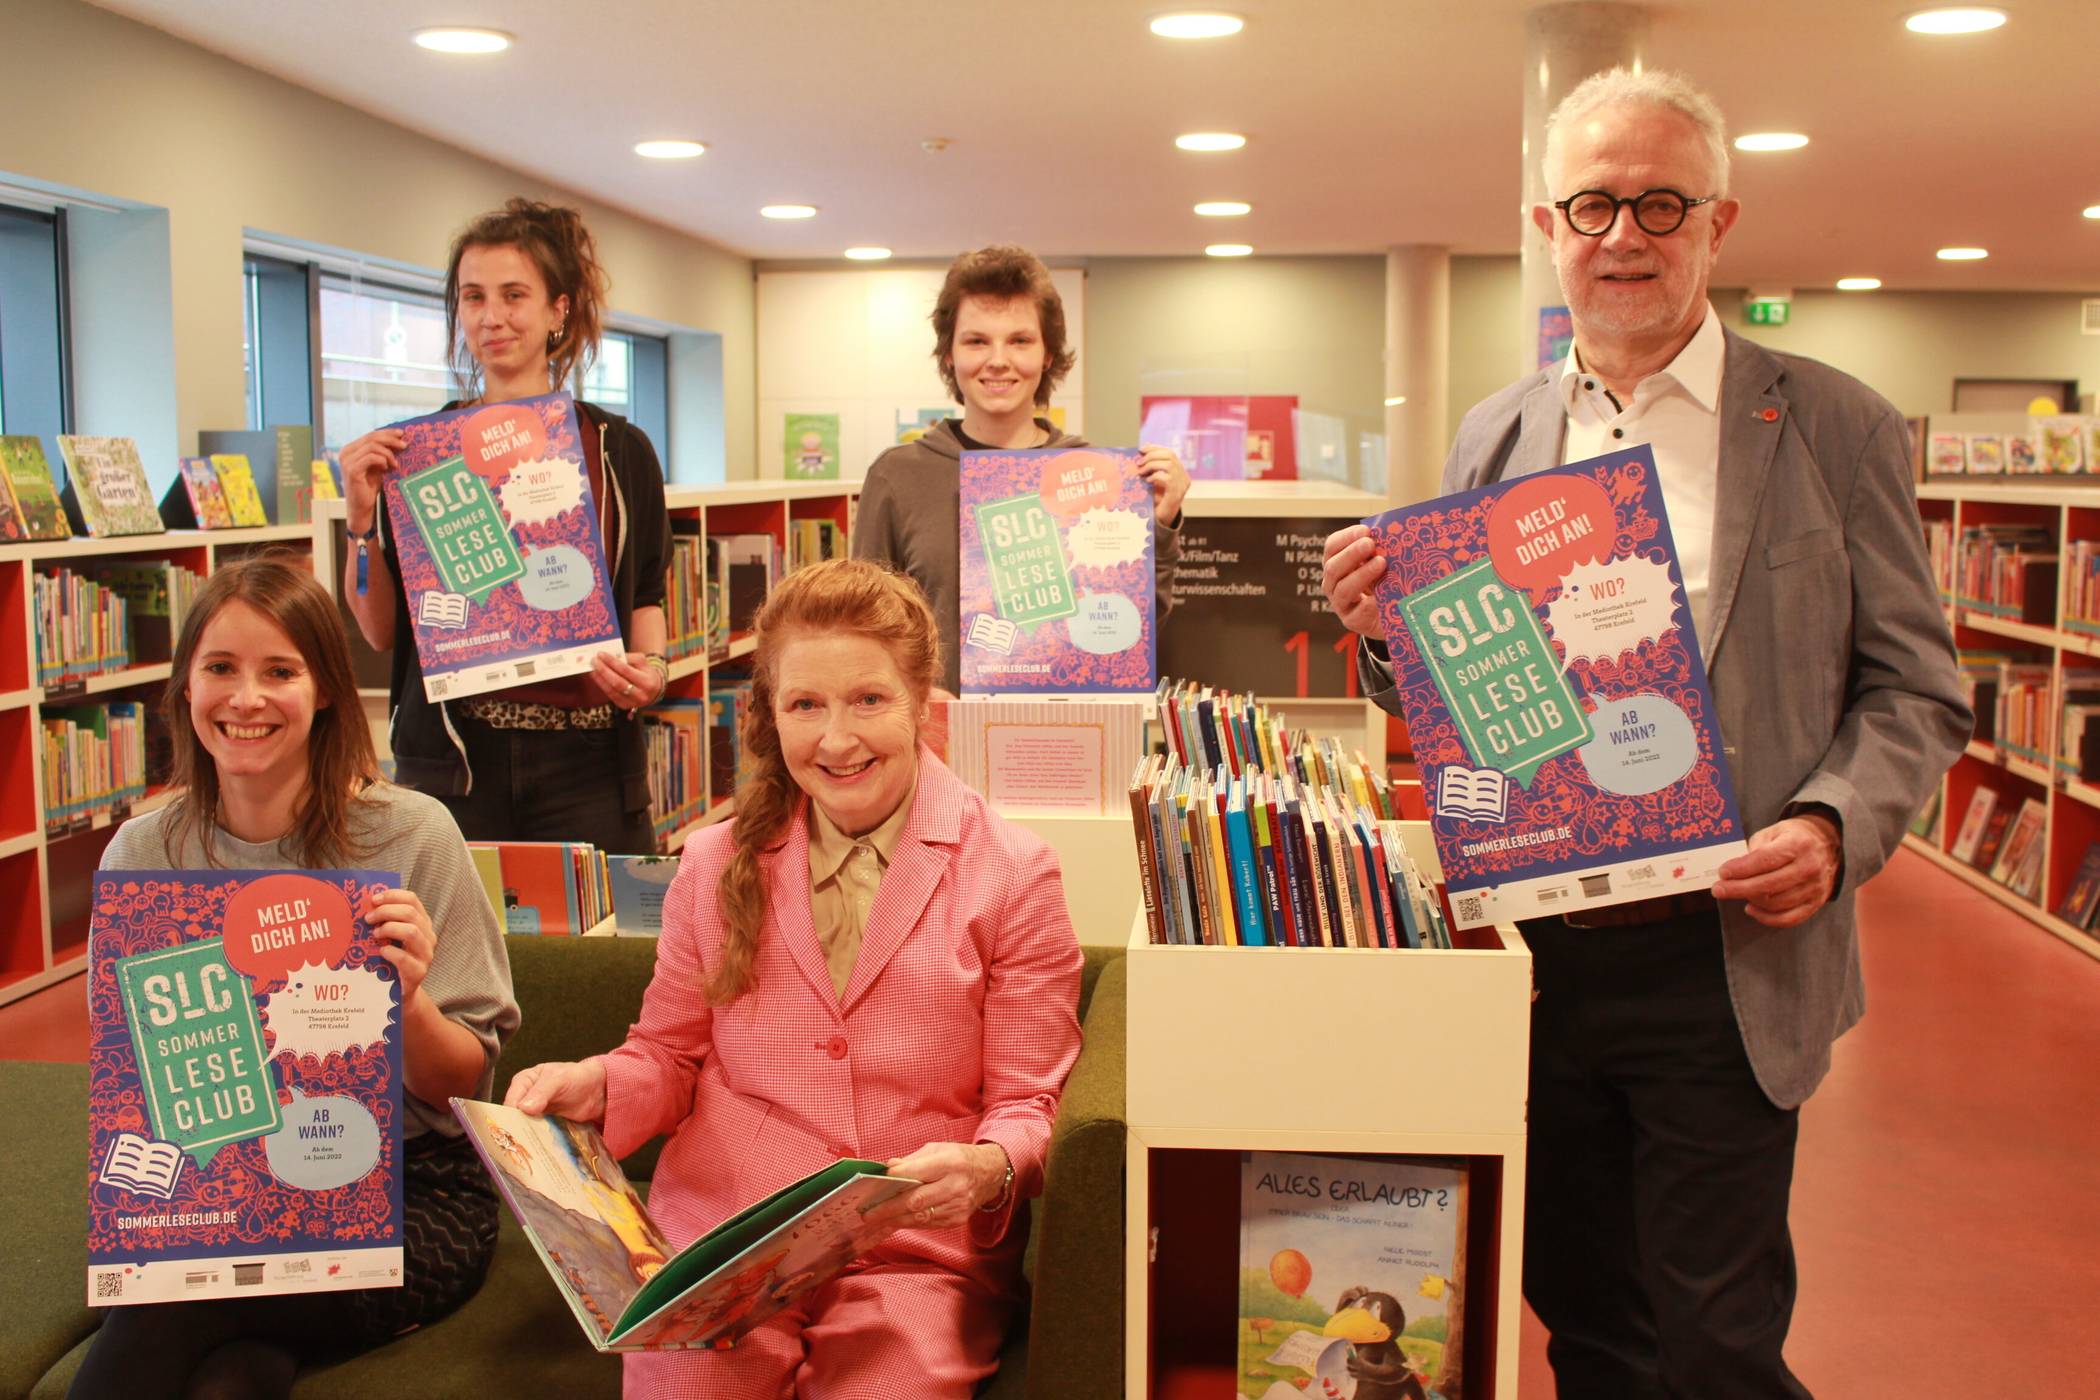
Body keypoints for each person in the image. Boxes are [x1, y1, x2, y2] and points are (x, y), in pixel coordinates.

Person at [1320, 69, 1967, 1399]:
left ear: (1718, 223)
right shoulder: (1497, 431)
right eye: (1594, 205)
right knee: (1588, 1318)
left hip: (1727, 951)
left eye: (1661, 203)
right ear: (1547, 225)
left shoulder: (1830, 423)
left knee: (1718, 1337)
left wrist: (1831, 825)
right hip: (1542, 952)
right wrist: (1387, 636)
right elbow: (1457, 698)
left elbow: (1916, 687)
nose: (1625, 234)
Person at [504, 557, 1083, 1397]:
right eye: (805, 705)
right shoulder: (714, 861)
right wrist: (594, 1086)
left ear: (923, 704)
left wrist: (990, 1166)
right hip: (727, 1239)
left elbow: (1030, 1104)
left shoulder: (1015, 872)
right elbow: (667, 1056)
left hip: (912, 1250)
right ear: (771, 714)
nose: (837, 740)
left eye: (869, 700)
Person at [71, 557, 518, 1399]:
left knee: (170, 1308)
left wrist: (407, 1002)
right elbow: (130, 1073)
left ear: (326, 693)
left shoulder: (412, 835)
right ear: (186, 686)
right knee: (231, 1376)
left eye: (280, 671)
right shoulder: (143, 852)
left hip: (410, 1190)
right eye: (220, 668)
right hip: (219, 1183)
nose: (246, 699)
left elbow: (467, 1091)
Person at [340, 197, 672, 853]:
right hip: (460, 762)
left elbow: (645, 595)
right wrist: (360, 521)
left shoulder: (618, 449)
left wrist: (654, 671)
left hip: (591, 764)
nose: (491, 317)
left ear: (558, 310)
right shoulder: (418, 456)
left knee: (605, 924)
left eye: (514, 295)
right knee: (454, 923)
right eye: (473, 297)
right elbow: (379, 631)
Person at [853, 243, 1190, 693]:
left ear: (1048, 355)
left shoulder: (1095, 477)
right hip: (936, 729)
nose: (998, 360)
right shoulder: (898, 476)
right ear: (949, 354)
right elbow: (862, 630)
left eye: (1020, 340)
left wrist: (1160, 525)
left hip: (1065, 725)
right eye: (976, 341)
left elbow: (1130, 635)